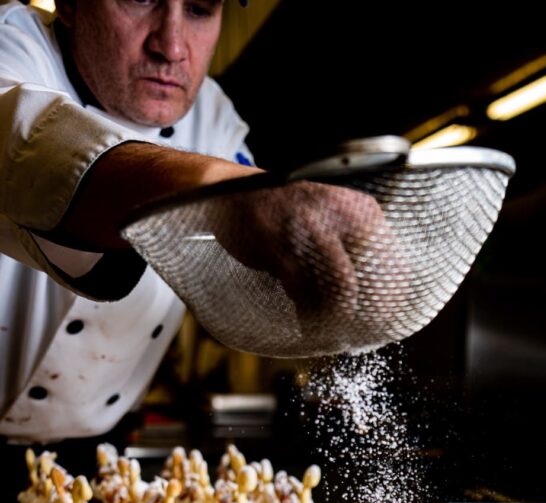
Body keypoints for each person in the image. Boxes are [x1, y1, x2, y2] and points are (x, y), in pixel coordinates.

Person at [0, 0, 376, 444]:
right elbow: (26, 149)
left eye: (199, 9)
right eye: (139, 0)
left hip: (95, 451)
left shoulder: (214, 119)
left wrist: (345, 292)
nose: (172, 47)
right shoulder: (13, 45)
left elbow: (239, 282)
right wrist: (224, 195)